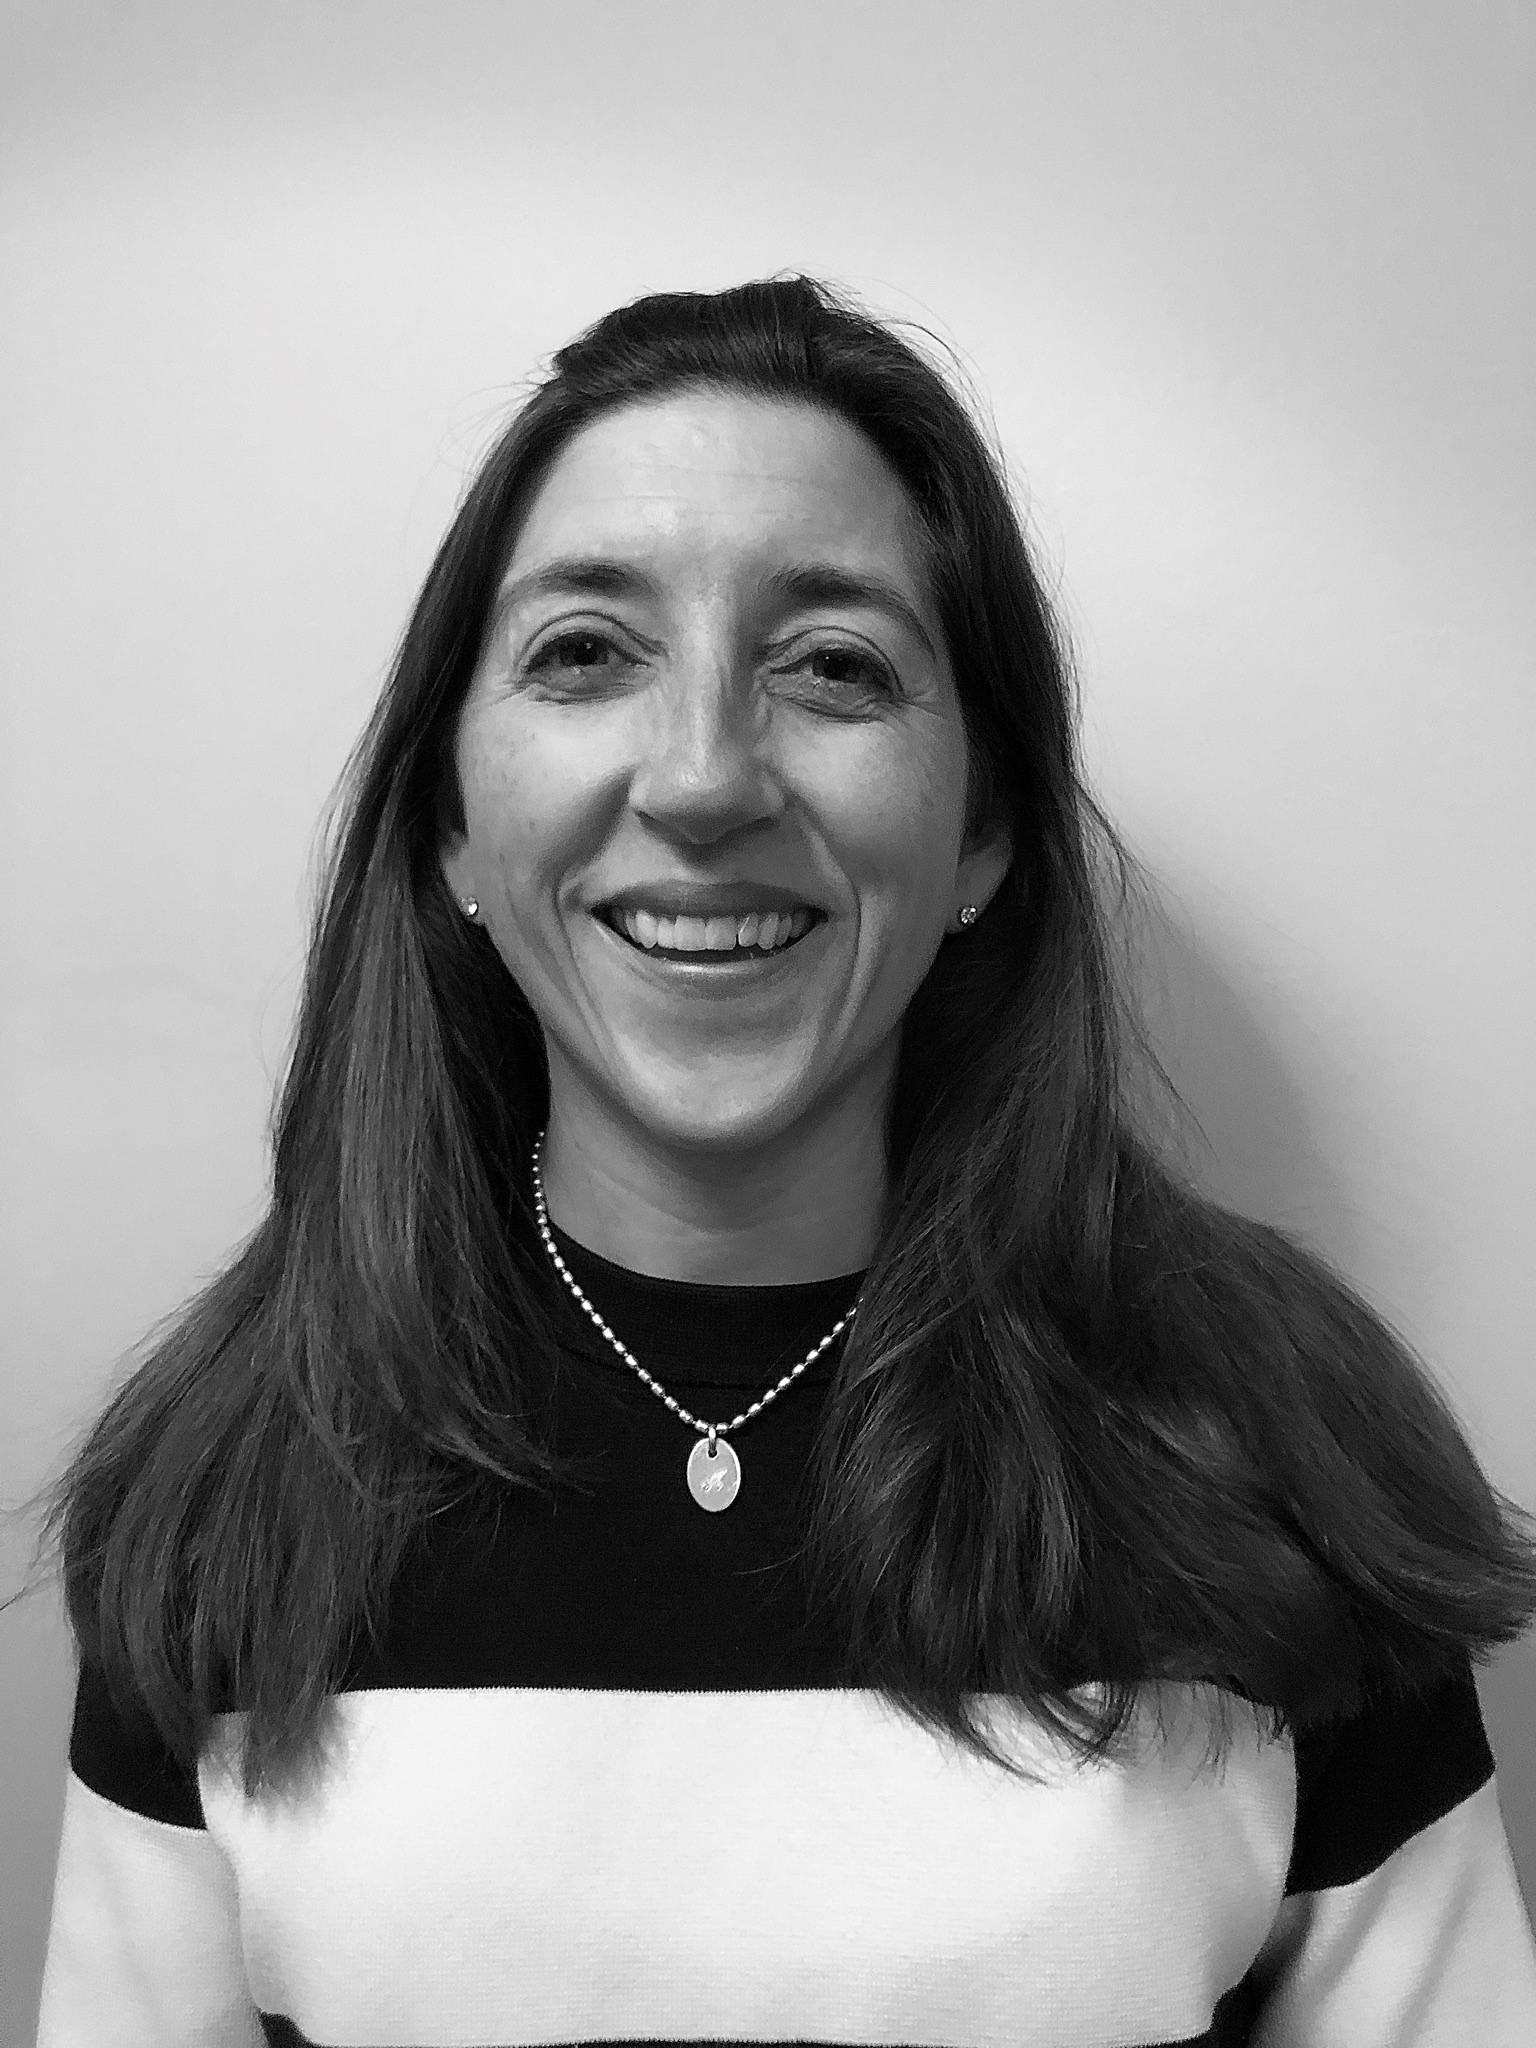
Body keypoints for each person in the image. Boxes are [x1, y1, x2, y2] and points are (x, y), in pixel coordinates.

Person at [36, 276, 1536, 2046]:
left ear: (982, 827)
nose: (699, 779)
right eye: (585, 652)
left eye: (833, 665)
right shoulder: (238, 1472)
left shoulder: (1278, 1451)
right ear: (450, 818)